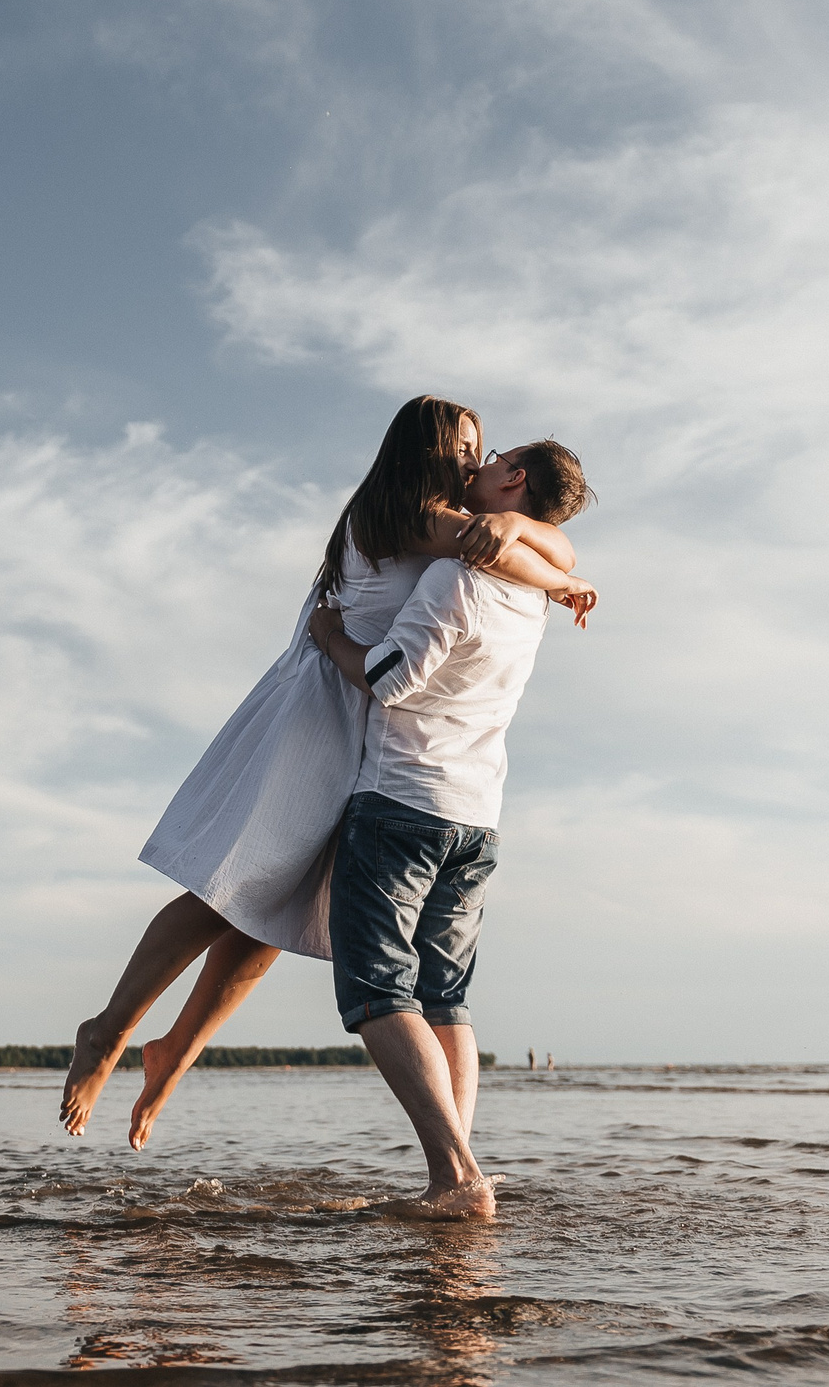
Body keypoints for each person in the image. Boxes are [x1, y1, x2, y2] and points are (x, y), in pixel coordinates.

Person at [60, 397, 596, 1147]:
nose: (476, 460)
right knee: (229, 890)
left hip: (372, 725)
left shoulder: (452, 517)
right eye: (464, 446)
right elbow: (520, 553)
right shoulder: (403, 510)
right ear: (425, 447)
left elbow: (551, 551)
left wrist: (528, 534)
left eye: (483, 449)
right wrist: (541, 559)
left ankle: (172, 1050)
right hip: (324, 715)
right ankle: (108, 1030)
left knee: (271, 916)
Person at [306, 438, 593, 1220]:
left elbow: (393, 683)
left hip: (405, 801)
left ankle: (458, 1177)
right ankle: (455, 1168)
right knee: (446, 997)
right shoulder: (532, 592)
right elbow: (550, 552)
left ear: (515, 480)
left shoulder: (456, 575)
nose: (480, 462)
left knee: (375, 990)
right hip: (479, 819)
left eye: (494, 457)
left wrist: (333, 636)